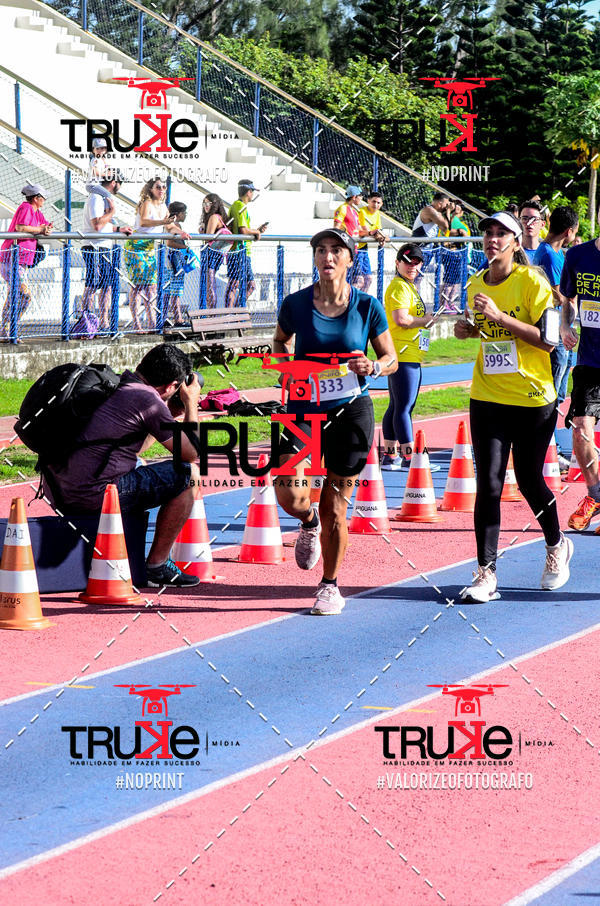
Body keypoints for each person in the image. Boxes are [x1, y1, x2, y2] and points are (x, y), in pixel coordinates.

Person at [272, 228, 397, 615]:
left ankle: (329, 585)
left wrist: (373, 367)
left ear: (349, 259)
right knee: (289, 494)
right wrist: (286, 369)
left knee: (336, 508)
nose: (327, 257)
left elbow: (391, 359)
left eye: (336, 251)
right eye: (321, 250)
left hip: (351, 411)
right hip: (303, 408)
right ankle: (308, 521)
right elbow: (280, 342)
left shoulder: (368, 306)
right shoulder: (295, 304)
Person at [454, 210, 572, 603]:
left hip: (532, 399)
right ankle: (485, 573)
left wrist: (500, 317)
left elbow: (549, 342)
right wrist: (469, 330)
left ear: (515, 242)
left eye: (501, 233)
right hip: (487, 396)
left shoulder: (531, 282)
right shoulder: (475, 284)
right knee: (488, 485)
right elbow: (485, 333)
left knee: (529, 480)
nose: (492, 239)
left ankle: (556, 544)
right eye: (488, 232)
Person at [44, 344, 202, 588]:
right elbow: (191, 453)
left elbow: (134, 448)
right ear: (172, 386)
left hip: (58, 491)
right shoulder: (146, 398)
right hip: (94, 496)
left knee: (138, 462)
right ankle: (157, 566)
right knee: (189, 475)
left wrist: (167, 414)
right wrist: (191, 402)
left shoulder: (117, 384)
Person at [381, 243, 438, 471]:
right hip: (403, 353)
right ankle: (409, 457)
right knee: (404, 406)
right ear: (397, 263)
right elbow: (401, 319)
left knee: (397, 405)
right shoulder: (399, 287)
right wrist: (425, 320)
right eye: (407, 262)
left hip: (406, 352)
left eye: (416, 262)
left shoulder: (407, 286)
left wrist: (425, 321)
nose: (412, 266)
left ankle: (390, 456)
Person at [533, 206, 579, 471]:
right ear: (569, 231)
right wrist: (574, 300)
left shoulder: (556, 253)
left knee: (559, 393)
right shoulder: (549, 255)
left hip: (564, 329)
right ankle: (544, 449)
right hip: (555, 329)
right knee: (552, 391)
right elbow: (557, 293)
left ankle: (548, 447)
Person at [560, 231, 600, 531]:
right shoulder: (577, 255)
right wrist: (565, 324)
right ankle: (595, 495)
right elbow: (569, 299)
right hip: (589, 359)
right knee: (581, 429)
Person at [124, 177, 188, 331]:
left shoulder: (163, 207)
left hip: (149, 247)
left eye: (163, 187)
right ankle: (137, 324)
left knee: (152, 286)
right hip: (136, 246)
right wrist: (163, 222)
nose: (161, 190)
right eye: (158, 187)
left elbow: (170, 226)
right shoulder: (147, 203)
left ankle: (152, 323)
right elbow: (144, 222)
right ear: (151, 189)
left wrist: (180, 232)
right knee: (138, 286)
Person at [80, 170, 132, 331]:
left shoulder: (102, 197)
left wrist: (119, 228)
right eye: (120, 184)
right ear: (114, 182)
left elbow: (103, 225)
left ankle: (104, 322)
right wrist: (111, 212)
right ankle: (87, 321)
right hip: (94, 246)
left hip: (104, 246)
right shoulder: (96, 197)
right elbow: (97, 225)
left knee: (107, 285)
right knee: (93, 284)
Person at [0, 184, 53, 339]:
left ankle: (5, 330)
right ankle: (10, 328)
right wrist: (40, 230)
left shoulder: (37, 212)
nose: (44, 200)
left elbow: (45, 225)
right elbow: (21, 227)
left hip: (20, 261)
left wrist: (46, 228)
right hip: (12, 259)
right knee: (25, 296)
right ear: (36, 198)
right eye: (43, 197)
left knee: (14, 295)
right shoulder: (26, 207)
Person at [226, 179, 266, 308]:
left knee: (245, 285)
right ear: (248, 192)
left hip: (240, 251)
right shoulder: (240, 206)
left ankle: (234, 312)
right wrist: (256, 232)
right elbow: (243, 230)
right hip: (239, 251)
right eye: (252, 191)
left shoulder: (236, 205)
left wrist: (256, 231)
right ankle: (231, 313)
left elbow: (243, 229)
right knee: (237, 284)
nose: (252, 194)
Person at [200, 193, 231, 308]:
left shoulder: (214, 217)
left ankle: (211, 311)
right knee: (211, 284)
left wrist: (201, 232)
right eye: (204, 203)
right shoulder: (221, 217)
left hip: (211, 253)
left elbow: (208, 237)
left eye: (208, 203)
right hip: (218, 253)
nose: (206, 206)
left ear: (214, 204)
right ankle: (211, 310)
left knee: (210, 285)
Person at [440, 201, 472, 312]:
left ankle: (449, 303)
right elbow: (447, 231)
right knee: (450, 282)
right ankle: (444, 304)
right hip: (451, 254)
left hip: (457, 254)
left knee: (454, 282)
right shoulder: (450, 222)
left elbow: (464, 236)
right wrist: (459, 232)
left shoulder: (456, 223)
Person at [354, 190, 388, 292]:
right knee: (358, 281)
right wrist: (378, 235)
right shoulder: (362, 212)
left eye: (378, 203)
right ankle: (350, 300)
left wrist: (383, 237)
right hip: (356, 249)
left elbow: (378, 231)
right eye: (373, 201)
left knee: (368, 279)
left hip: (363, 249)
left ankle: (361, 300)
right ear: (368, 200)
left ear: (381, 204)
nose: (376, 205)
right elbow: (366, 231)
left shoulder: (377, 214)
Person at [165, 201, 191, 327]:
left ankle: (164, 317)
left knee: (168, 291)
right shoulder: (175, 225)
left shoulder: (168, 224)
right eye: (184, 213)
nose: (185, 215)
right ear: (179, 214)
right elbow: (169, 243)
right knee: (175, 291)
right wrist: (185, 247)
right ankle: (178, 319)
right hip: (174, 264)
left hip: (169, 263)